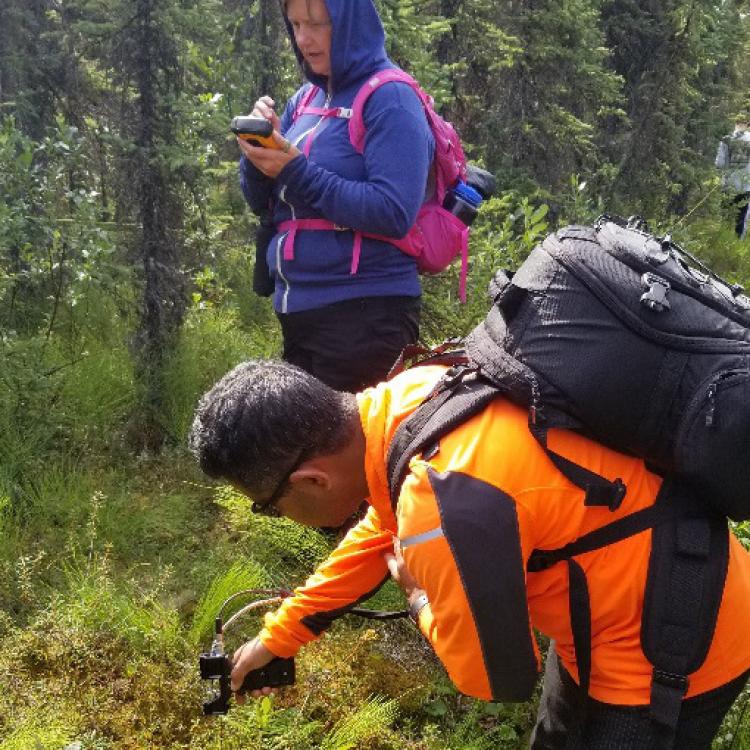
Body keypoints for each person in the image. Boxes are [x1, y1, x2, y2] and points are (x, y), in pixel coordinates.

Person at [189, 359, 750, 749]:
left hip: (676, 644)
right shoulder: (411, 399)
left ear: (310, 480)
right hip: (610, 611)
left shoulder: (438, 504)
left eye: (267, 506)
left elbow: (496, 679)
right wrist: (278, 636)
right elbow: (380, 530)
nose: (275, 516)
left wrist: (418, 600)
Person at [237, 0, 434, 392]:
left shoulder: (391, 98)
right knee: (308, 451)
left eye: (317, 24)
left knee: (358, 451)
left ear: (350, 22)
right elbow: (268, 205)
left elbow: (394, 211)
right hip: (301, 315)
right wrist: (258, 154)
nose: (304, 39)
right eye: (294, 25)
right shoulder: (305, 100)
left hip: (366, 318)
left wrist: (294, 168)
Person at [715, 117, 750, 239]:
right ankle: (736, 243)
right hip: (746, 186)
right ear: (748, 125)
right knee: (741, 217)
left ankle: (721, 240)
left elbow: (719, 164)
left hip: (728, 185)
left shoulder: (726, 139)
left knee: (725, 216)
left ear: (736, 124)